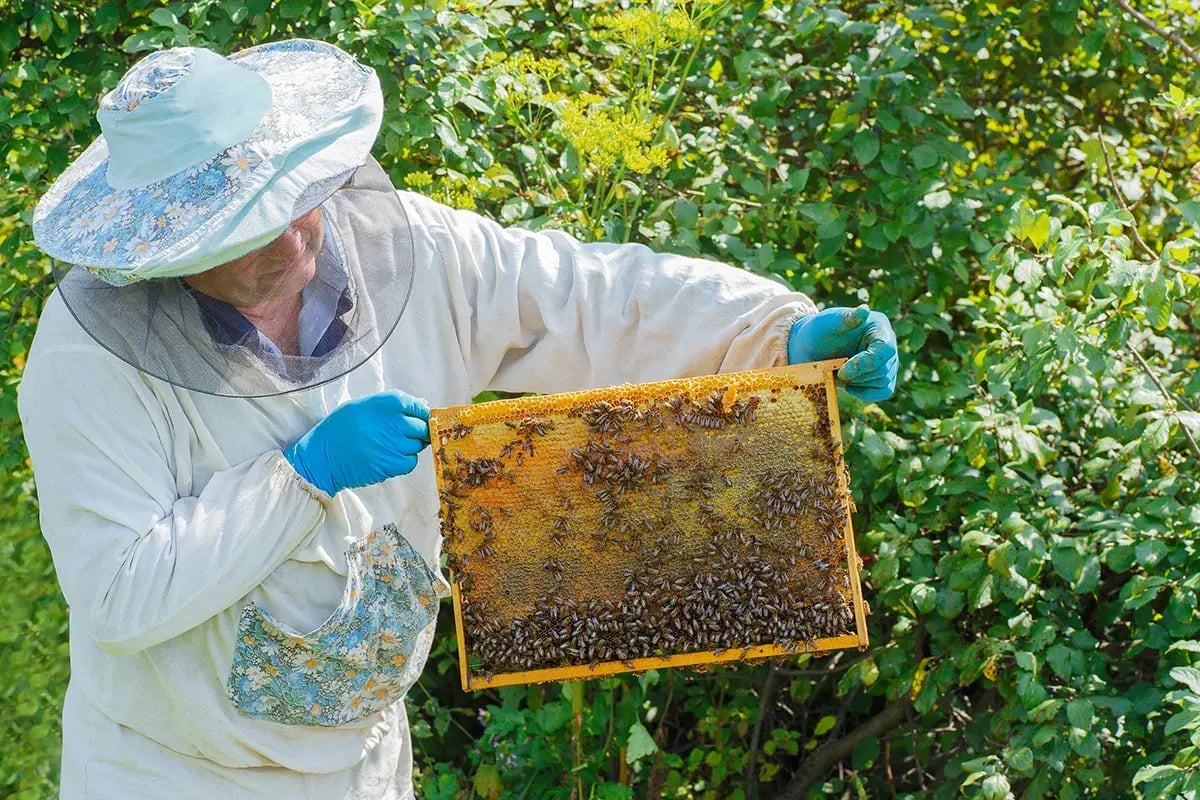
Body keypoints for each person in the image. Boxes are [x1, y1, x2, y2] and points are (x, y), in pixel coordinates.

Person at [17, 39, 898, 799]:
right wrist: (302, 476)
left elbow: (582, 297)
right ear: (172, 246)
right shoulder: (88, 356)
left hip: (362, 760)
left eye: (296, 201)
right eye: (245, 230)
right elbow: (119, 595)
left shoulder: (410, 249)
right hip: (173, 770)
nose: (290, 243)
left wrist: (772, 333)